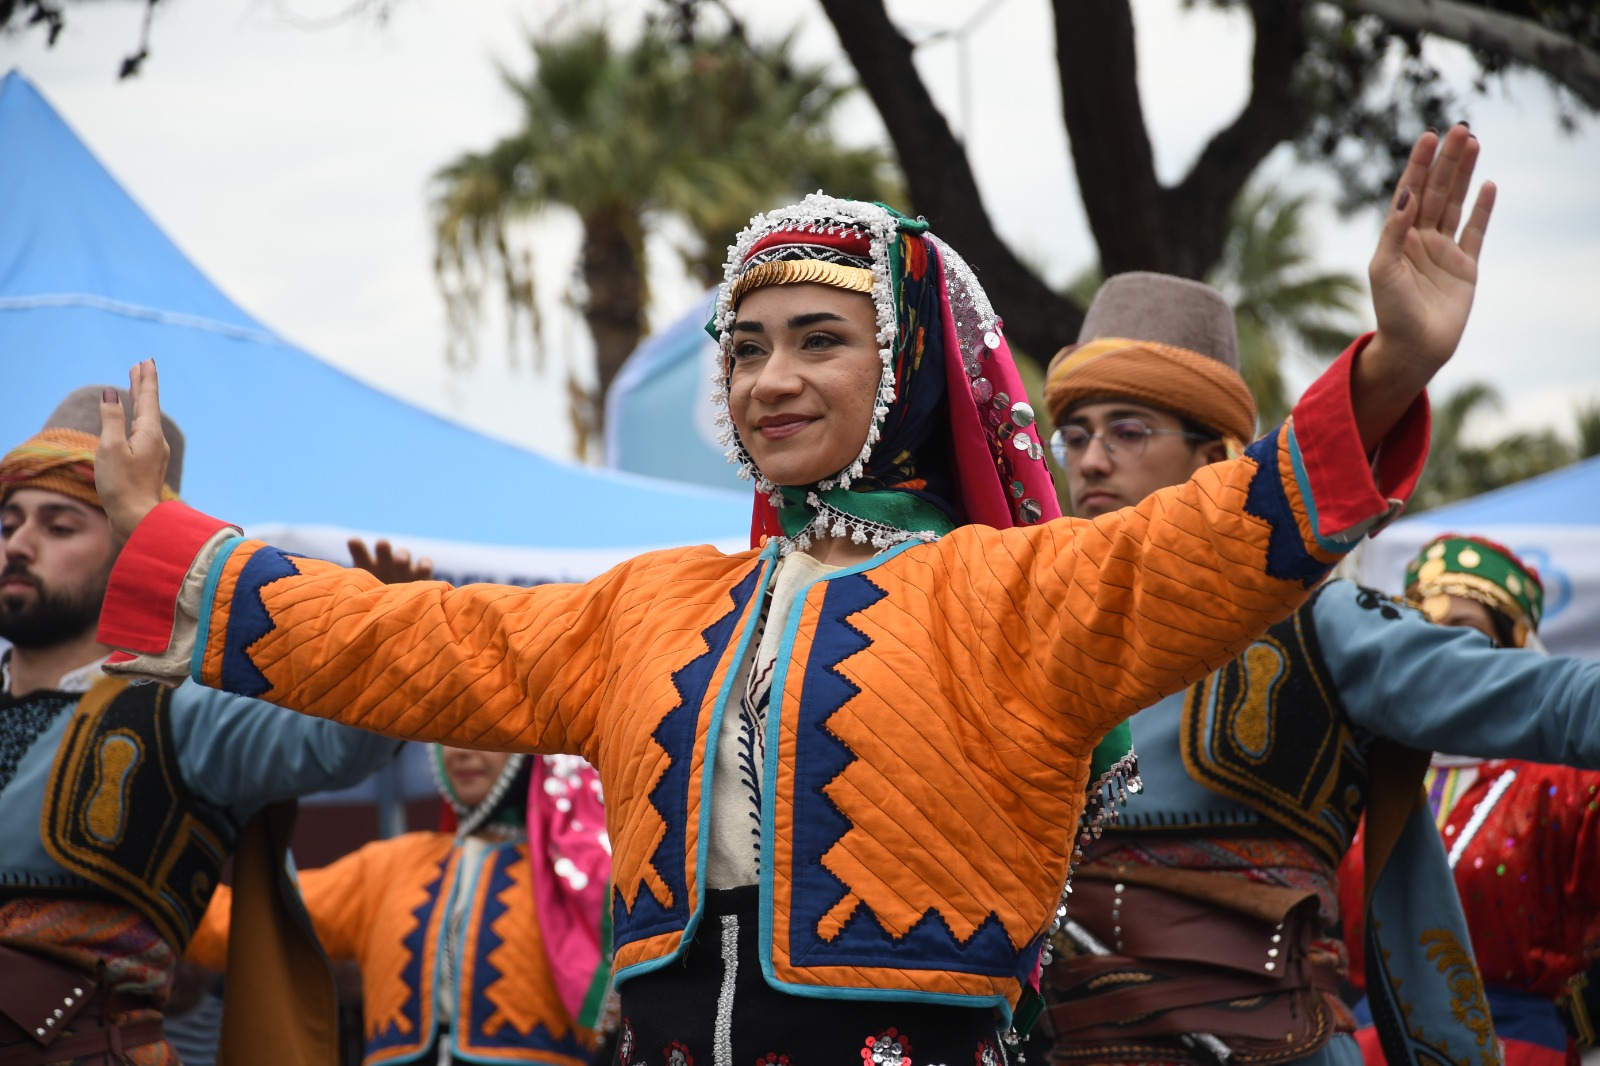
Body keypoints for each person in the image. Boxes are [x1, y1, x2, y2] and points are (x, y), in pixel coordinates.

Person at [89, 125, 1477, 1060]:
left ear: (910, 373)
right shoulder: (646, 604)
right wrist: (171, 539)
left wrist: (1388, 370)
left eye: (821, 340)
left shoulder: (1018, 592)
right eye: (744, 348)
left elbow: (1219, 538)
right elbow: (412, 639)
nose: (769, 379)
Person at [1035, 164, 1600, 1066]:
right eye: (1075, 434)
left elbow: (1548, 701)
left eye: (1129, 431)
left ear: (1215, 455)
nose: (1092, 461)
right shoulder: (1023, 624)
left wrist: (1399, 362)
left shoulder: (1322, 622)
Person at [0, 388, 402, 1066]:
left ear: (130, 550)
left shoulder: (181, 707)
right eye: (9, 522)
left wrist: (381, 651)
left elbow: (335, 746)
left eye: (60, 526)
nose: (18, 544)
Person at [1337, 535, 1600, 1066]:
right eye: (1419, 631)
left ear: (1514, 646)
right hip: (1365, 1048)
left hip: (1515, 1050)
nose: (1436, 655)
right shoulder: (1357, 770)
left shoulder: (1570, 782)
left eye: (1463, 634)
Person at [184, 746, 612, 1066]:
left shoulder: (582, 876)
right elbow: (249, 924)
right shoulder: (391, 866)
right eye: (449, 734)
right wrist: (145, 886)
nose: (462, 749)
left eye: (487, 735)